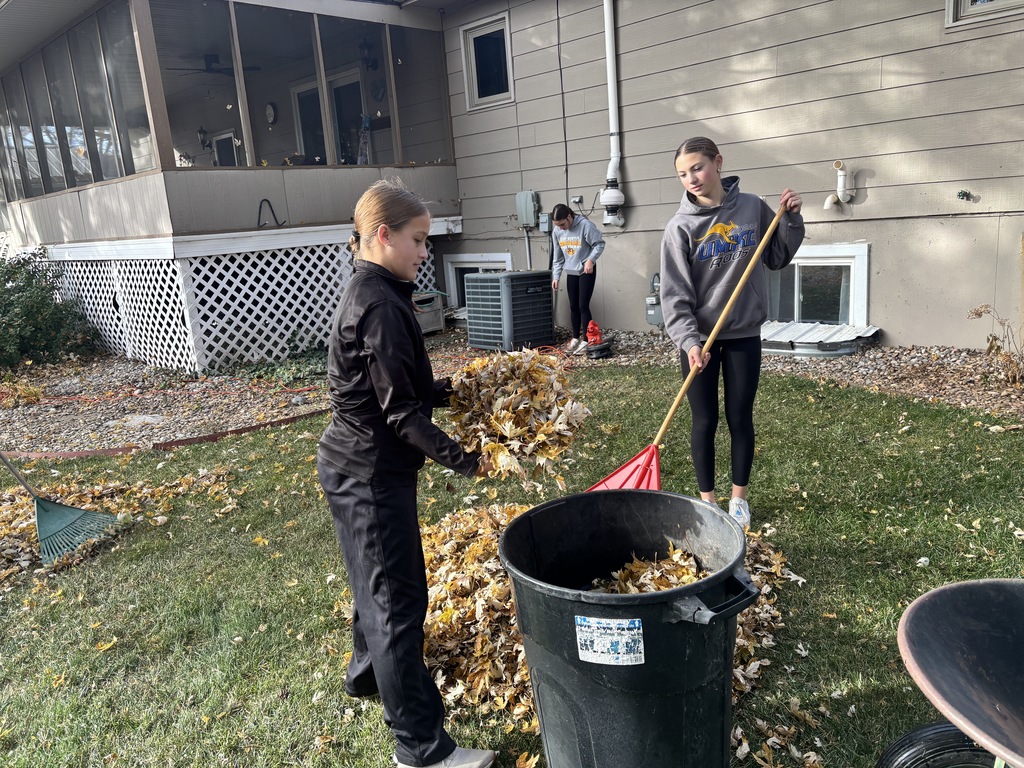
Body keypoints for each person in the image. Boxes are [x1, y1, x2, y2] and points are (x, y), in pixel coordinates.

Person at [316, 179, 497, 768]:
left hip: (356, 465)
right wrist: (467, 459)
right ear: (383, 236)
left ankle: (368, 676)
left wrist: (459, 390)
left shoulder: (382, 292)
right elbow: (399, 414)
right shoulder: (378, 307)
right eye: (419, 241)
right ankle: (422, 749)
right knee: (397, 603)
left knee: (379, 588)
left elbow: (402, 387)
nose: (426, 252)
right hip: (368, 473)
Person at [659, 136, 804, 528]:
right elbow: (674, 297)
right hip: (698, 342)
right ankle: (708, 501)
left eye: (698, 168)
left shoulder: (752, 208)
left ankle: (738, 499)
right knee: (704, 421)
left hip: (742, 333)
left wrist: (789, 218)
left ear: (718, 162)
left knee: (740, 416)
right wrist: (689, 342)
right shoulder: (678, 229)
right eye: (682, 174)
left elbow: (776, 257)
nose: (691, 178)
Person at [550, 203, 605, 356]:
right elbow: (558, 256)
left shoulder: (585, 226)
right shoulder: (557, 231)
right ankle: (575, 338)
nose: (561, 228)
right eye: (557, 225)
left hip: (586, 270)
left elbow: (599, 244)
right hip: (571, 270)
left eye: (562, 224)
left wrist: (591, 260)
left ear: (569, 217)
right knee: (573, 306)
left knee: (583, 305)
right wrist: (556, 276)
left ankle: (588, 340)